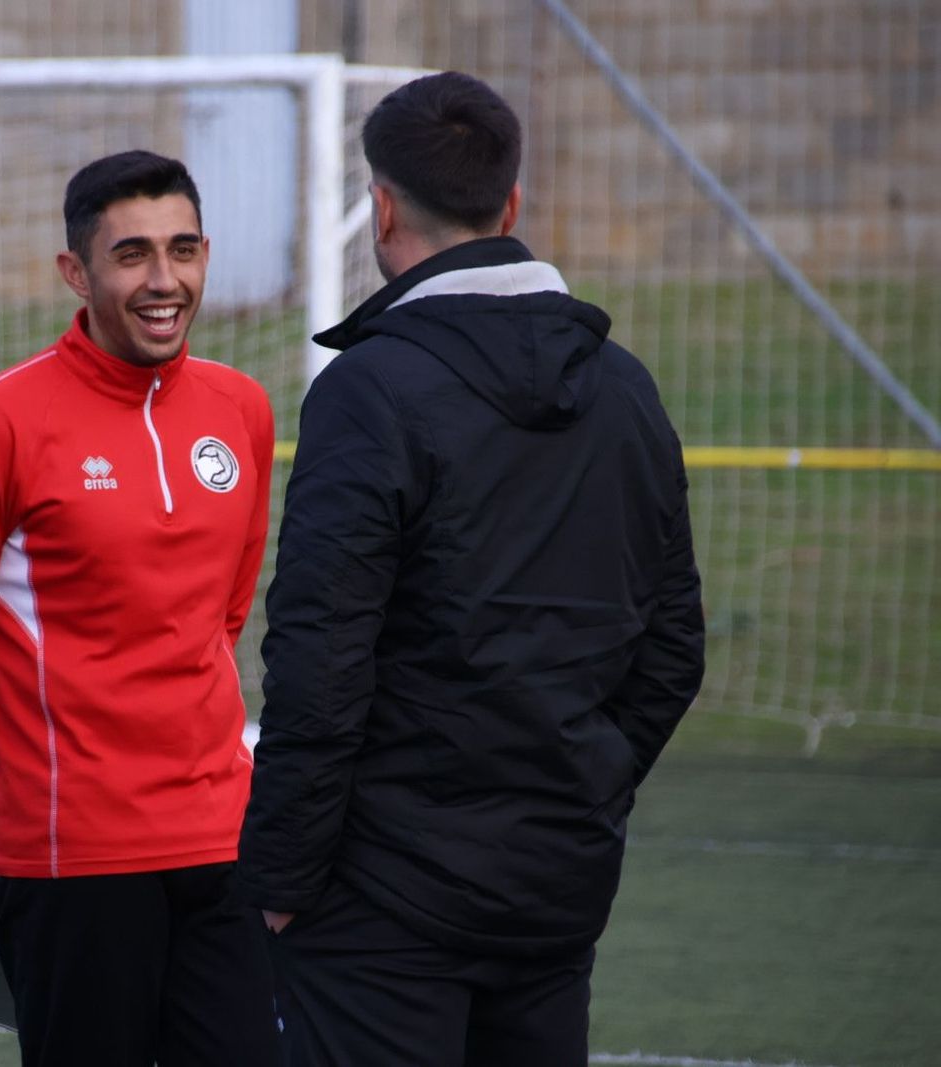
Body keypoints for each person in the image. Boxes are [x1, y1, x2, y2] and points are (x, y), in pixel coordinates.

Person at [238, 72, 706, 1066]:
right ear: (510, 205)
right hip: (551, 886)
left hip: (381, 901)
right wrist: (582, 787)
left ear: (382, 205)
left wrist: (280, 874)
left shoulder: (368, 389)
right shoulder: (626, 390)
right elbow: (672, 647)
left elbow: (320, 659)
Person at [0, 150, 279, 1067]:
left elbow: (221, 615)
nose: (164, 281)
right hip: (72, 858)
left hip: (222, 843)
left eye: (183, 250)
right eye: (132, 254)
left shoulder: (243, 409)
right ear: (77, 271)